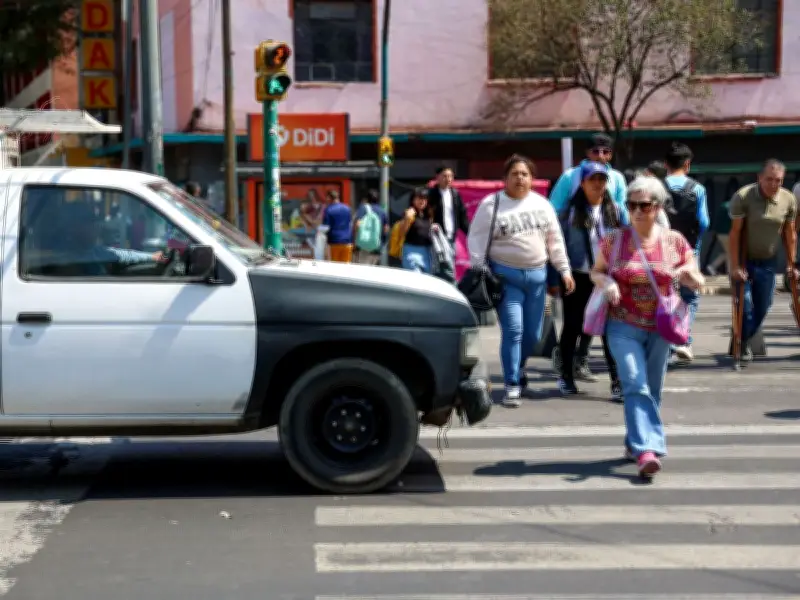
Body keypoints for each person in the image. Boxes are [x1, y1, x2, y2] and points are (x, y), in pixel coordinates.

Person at [591, 176, 703, 478]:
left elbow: (697, 275)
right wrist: (607, 282)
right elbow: (596, 271)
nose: (637, 211)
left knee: (652, 390)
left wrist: (688, 276)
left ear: (658, 206)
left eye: (644, 205)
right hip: (622, 324)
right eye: (631, 205)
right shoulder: (614, 240)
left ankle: (633, 441)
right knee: (634, 383)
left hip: (662, 326)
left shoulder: (674, 241)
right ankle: (647, 450)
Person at [468, 154, 574, 408]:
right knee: (513, 330)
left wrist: (565, 270)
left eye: (525, 174)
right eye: (514, 173)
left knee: (533, 334)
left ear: (532, 178)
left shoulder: (542, 205)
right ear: (505, 178)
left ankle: (519, 366)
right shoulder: (491, 205)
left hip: (537, 279)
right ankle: (512, 383)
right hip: (507, 279)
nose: (520, 178)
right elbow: (477, 240)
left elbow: (555, 241)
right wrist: (480, 270)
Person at [548, 133, 627, 381]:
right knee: (574, 322)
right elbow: (552, 216)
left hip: (607, 271)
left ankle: (607, 374)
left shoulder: (617, 181)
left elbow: (624, 223)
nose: (601, 156)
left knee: (606, 325)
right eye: (596, 152)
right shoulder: (570, 178)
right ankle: (567, 369)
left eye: (606, 152)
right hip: (577, 266)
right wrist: (559, 269)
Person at [729, 159, 798, 361]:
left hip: (768, 260)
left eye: (778, 180)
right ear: (759, 178)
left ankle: (742, 337)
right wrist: (734, 266)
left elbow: (790, 233)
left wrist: (791, 264)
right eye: (769, 179)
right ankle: (742, 345)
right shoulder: (743, 196)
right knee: (746, 303)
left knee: (764, 305)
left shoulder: (788, 199)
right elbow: (735, 233)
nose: (773, 184)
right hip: (745, 259)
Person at [663, 143, 710, 363]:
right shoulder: (698, 189)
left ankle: (668, 343)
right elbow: (704, 222)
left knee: (665, 295)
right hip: (689, 249)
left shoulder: (657, 187)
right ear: (687, 164)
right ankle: (683, 341)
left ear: (665, 165)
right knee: (689, 296)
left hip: (661, 250)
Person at [428, 166, 470, 249]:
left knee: (451, 261)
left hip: (452, 237)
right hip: (436, 238)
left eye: (450, 176)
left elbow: (462, 217)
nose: (448, 179)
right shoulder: (431, 194)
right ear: (437, 177)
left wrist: (471, 233)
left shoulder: (455, 194)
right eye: (445, 176)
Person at [397, 187, 435, 274]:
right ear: (413, 200)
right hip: (411, 251)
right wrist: (407, 219)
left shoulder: (428, 215)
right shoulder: (409, 213)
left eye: (425, 198)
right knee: (416, 280)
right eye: (419, 198)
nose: (422, 201)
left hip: (427, 252)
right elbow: (401, 233)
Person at [353, 189, 389, 265]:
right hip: (376, 247)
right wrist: (383, 242)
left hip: (363, 247)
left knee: (362, 272)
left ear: (367, 199)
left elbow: (357, 224)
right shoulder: (382, 211)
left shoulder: (363, 208)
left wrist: (355, 242)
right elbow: (386, 229)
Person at [321, 190, 353, 263]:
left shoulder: (328, 209)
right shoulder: (347, 208)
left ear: (329, 198)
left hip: (334, 242)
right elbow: (350, 223)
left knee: (334, 267)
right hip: (347, 242)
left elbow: (326, 227)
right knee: (346, 266)